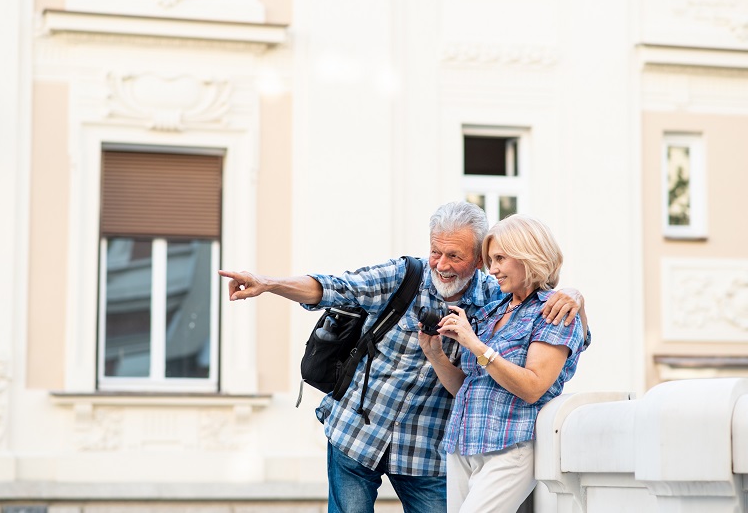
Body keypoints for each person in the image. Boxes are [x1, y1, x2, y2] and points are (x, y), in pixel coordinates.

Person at [219, 201, 586, 513]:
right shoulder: (404, 276)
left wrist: (574, 295)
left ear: (477, 260)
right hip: (357, 431)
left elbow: (554, 321)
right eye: (435, 252)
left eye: (454, 256)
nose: (440, 264)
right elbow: (334, 286)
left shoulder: (493, 298)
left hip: (426, 449)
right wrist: (269, 284)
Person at [418, 214, 588, 513]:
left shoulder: (553, 311)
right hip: (462, 444)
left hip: (511, 446)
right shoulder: (494, 310)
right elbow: (469, 386)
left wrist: (474, 344)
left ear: (529, 256)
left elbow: (533, 387)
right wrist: (436, 356)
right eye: (489, 259)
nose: (492, 269)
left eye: (499, 259)